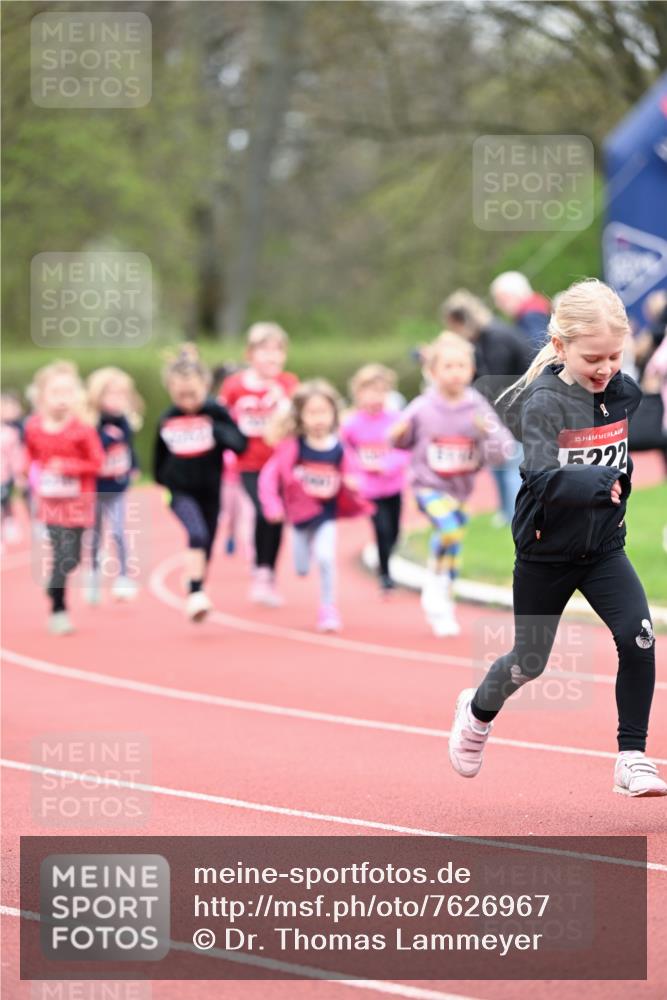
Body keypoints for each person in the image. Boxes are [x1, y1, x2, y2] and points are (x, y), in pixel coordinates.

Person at [449, 278, 666, 798]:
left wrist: (621, 476)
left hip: (604, 549)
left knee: (639, 640)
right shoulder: (544, 401)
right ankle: (477, 713)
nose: (606, 367)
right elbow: (542, 476)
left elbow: (632, 444)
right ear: (560, 345)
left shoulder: (624, 392)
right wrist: (602, 482)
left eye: (615, 355)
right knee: (530, 661)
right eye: (594, 357)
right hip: (546, 552)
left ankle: (632, 757)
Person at [390, 332, 514, 636]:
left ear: (471, 370)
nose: (456, 372)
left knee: (454, 543)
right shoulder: (422, 406)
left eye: (462, 365)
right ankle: (435, 582)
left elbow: (503, 450)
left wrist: (487, 434)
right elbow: (398, 440)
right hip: (427, 485)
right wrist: (398, 434)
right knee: (448, 529)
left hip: (460, 489)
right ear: (432, 372)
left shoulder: (477, 406)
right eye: (448, 366)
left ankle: (443, 596)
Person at [259, 379, 372, 632]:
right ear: (301, 416)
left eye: (324, 412)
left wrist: (355, 485)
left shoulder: (339, 448)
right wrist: (272, 506)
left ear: (333, 414)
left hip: (325, 514)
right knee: (300, 568)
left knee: (325, 558)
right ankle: (305, 557)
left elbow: (356, 475)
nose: (319, 418)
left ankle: (328, 609)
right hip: (298, 515)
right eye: (312, 412)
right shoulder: (292, 447)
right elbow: (269, 478)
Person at [154, 345, 247, 622]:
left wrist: (216, 430)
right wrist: (165, 482)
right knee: (195, 534)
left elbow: (239, 443)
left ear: (205, 386)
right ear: (170, 390)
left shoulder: (215, 412)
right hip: (179, 491)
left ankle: (197, 581)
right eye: (180, 395)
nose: (187, 400)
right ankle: (195, 592)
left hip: (210, 489)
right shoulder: (168, 418)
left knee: (207, 541)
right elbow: (158, 458)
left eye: (192, 394)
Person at [220, 323, 299, 606]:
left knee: (277, 518)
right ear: (250, 354)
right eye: (265, 351)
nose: (272, 357)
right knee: (266, 510)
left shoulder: (289, 385)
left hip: (280, 464)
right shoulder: (235, 386)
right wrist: (231, 444)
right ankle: (259, 572)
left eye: (278, 351)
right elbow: (221, 418)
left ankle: (269, 572)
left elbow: (300, 418)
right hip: (250, 464)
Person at [24, 362, 104, 635]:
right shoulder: (34, 427)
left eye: (68, 392)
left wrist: (68, 467)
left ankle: (55, 583)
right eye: (55, 392)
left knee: (72, 559)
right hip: (50, 503)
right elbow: (31, 457)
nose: (62, 399)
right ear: (41, 396)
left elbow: (97, 462)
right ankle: (59, 611)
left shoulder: (83, 430)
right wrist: (31, 476)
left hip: (79, 503)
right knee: (60, 552)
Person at [441, 289, 531, 525]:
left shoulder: (495, 337)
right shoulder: (485, 337)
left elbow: (495, 381)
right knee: (498, 462)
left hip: (517, 404)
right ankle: (506, 512)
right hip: (503, 406)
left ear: (462, 321)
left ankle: (515, 514)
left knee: (511, 460)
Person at [341, 364, 410, 592]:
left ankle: (386, 559)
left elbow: (405, 449)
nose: (374, 397)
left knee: (394, 532)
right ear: (358, 394)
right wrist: (354, 470)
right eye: (369, 392)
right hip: (368, 488)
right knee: (381, 529)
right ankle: (385, 574)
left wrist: (386, 464)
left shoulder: (395, 419)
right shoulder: (351, 423)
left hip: (393, 485)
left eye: (380, 392)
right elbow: (343, 450)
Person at [85, 367, 143, 603]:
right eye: (112, 395)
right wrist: (106, 438)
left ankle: (123, 577)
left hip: (118, 486)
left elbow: (128, 446)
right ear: (98, 396)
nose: (118, 400)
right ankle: (94, 575)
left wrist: (134, 465)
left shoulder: (125, 421)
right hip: (96, 488)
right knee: (95, 534)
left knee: (119, 531)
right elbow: (91, 450)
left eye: (122, 395)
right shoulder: (92, 423)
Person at [490, 271, 551, 355]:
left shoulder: (532, 316)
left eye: (502, 299)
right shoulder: (533, 312)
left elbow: (537, 348)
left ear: (516, 294)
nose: (498, 305)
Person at [1, 391, 26, 545]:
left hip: (5, 477)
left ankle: (9, 523)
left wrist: (18, 475)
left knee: (6, 502)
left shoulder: (10, 433)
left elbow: (15, 455)